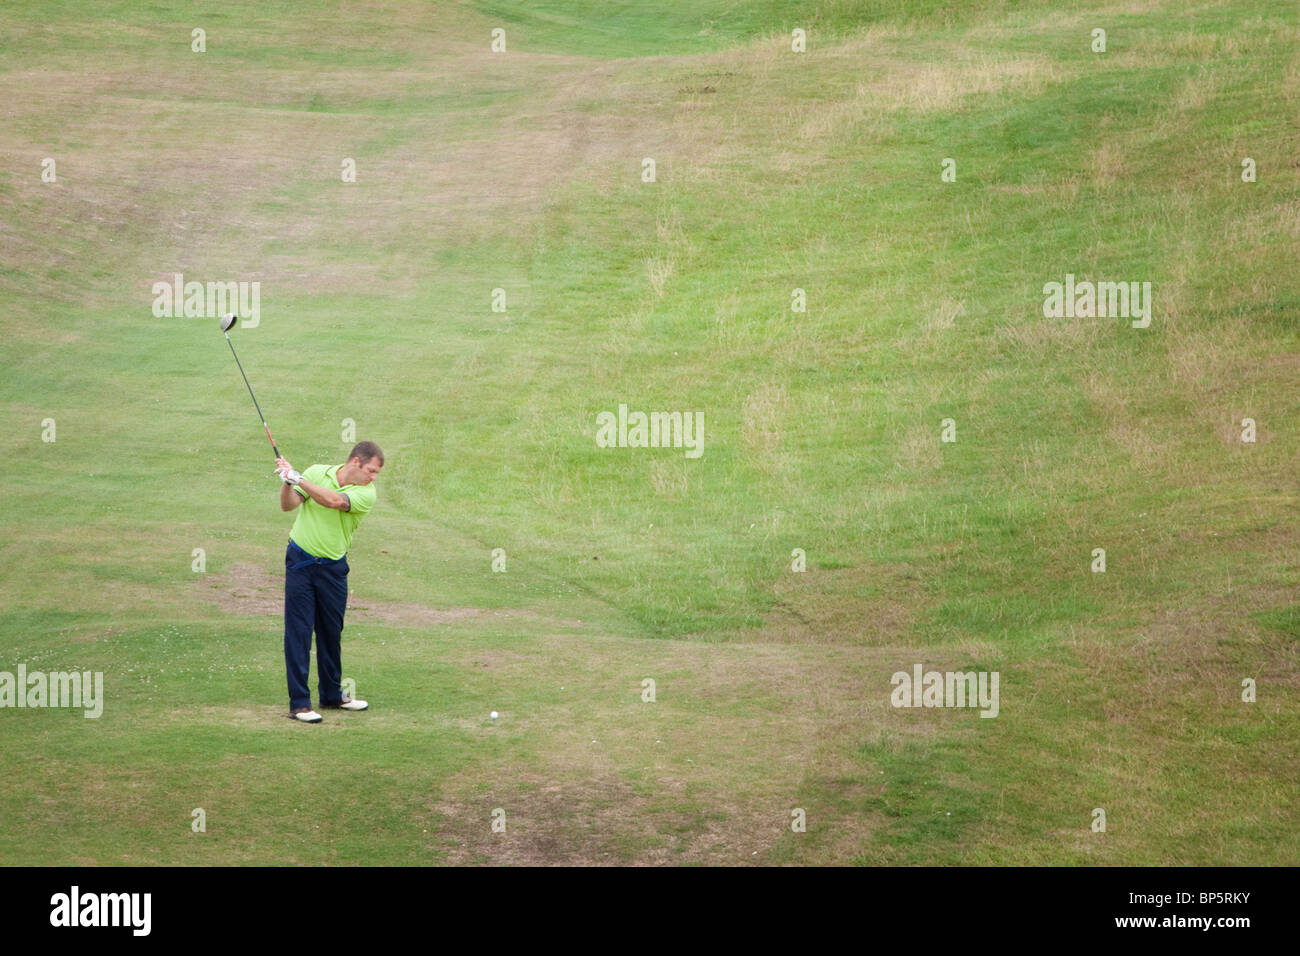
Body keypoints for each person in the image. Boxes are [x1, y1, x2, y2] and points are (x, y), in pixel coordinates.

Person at [275, 441, 384, 723]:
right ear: (355, 462)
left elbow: (333, 501)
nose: (374, 478)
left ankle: (332, 695)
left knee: (330, 633)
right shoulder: (316, 472)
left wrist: (299, 478)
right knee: (298, 632)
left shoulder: (365, 493)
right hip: (300, 561)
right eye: (371, 470)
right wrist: (289, 483)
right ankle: (299, 703)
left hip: (333, 568)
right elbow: (288, 506)